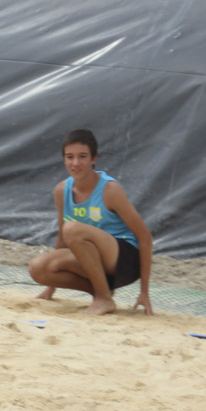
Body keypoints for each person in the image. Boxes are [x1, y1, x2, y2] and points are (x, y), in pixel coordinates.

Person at [29, 129, 154, 316]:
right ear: (64, 160)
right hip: (94, 262)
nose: (75, 163)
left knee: (73, 229)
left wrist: (144, 292)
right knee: (38, 268)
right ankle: (101, 291)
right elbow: (62, 238)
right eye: (70, 157)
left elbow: (145, 237)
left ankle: (104, 299)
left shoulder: (110, 190)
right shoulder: (61, 190)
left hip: (125, 261)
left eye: (82, 156)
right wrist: (51, 287)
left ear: (94, 159)